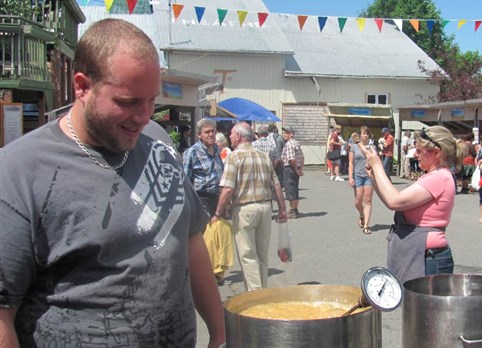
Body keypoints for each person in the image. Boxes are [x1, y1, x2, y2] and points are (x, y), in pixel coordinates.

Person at [0, 18, 225, 347]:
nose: (144, 116)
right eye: (128, 102)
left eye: (151, 101)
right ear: (82, 86)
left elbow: (190, 241)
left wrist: (220, 335)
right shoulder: (19, 169)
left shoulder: (159, 146)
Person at [361, 126, 466, 283]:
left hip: (428, 258)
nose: (416, 154)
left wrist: (377, 165)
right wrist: (375, 178)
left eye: (419, 150)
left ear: (436, 152)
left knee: (427, 307)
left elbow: (394, 200)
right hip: (424, 254)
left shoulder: (439, 177)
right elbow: (395, 202)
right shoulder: (436, 176)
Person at [212, 122, 288, 291]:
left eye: (231, 134)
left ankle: (255, 297)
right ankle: (262, 291)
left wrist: (217, 212)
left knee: (248, 255)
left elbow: (228, 189)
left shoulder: (234, 157)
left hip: (244, 209)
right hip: (265, 208)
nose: (229, 137)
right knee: (262, 254)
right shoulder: (263, 156)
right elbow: (276, 185)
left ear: (238, 137)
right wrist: (282, 209)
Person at [183, 118, 224, 218]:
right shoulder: (192, 152)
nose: (211, 134)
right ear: (199, 135)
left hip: (217, 199)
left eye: (213, 131)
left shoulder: (216, 150)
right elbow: (185, 180)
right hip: (201, 199)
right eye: (207, 132)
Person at [349, 126, 375, 235]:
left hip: (369, 175)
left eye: (366, 133)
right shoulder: (354, 147)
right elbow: (351, 163)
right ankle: (361, 215)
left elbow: (374, 159)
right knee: (358, 202)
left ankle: (366, 225)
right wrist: (350, 177)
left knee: (368, 201)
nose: (364, 135)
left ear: (369, 136)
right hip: (358, 175)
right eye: (362, 133)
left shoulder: (371, 147)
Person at [281, 126, 305, 219]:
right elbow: (302, 157)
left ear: (291, 134)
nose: (284, 134)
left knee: (290, 190)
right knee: (294, 188)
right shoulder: (296, 143)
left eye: (287, 133)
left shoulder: (289, 145)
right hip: (295, 168)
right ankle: (294, 209)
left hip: (290, 168)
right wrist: (300, 169)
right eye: (284, 132)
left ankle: (293, 211)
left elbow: (292, 160)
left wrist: (296, 170)